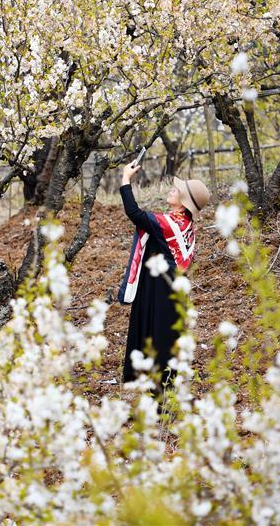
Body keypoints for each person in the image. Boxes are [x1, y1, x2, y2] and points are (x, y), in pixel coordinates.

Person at [117, 160, 210, 390]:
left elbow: (135, 214)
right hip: (164, 288)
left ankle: (161, 404)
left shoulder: (172, 225)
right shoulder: (184, 224)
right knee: (163, 340)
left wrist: (125, 180)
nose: (171, 189)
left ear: (184, 203)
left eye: (176, 190)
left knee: (159, 341)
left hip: (161, 291)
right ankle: (160, 397)